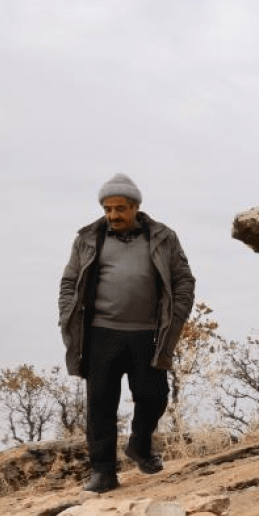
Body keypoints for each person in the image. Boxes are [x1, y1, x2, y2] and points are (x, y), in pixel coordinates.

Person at [59, 173, 195, 493]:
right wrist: (67, 313)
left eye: (119, 208)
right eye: (108, 209)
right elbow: (69, 281)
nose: (113, 215)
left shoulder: (163, 237)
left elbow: (183, 280)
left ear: (135, 207)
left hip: (147, 333)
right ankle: (103, 472)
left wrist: (175, 317)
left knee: (154, 397)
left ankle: (139, 444)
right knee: (100, 405)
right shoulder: (88, 238)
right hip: (100, 333)